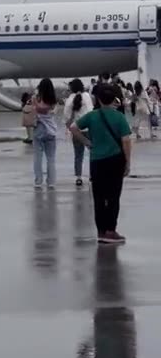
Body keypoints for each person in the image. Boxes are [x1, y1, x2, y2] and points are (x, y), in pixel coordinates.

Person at [70, 84, 131, 244]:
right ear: (113, 100)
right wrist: (128, 162)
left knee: (98, 197)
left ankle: (101, 231)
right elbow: (126, 141)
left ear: (98, 100)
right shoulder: (119, 117)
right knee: (113, 196)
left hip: (96, 161)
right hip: (115, 160)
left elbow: (73, 127)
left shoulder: (92, 116)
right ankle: (111, 231)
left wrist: (86, 142)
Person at [64, 78, 93, 186]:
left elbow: (66, 117)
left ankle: (79, 177)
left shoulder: (70, 99)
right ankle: (92, 175)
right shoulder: (87, 96)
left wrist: (68, 127)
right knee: (92, 152)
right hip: (89, 129)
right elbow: (91, 111)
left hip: (76, 130)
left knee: (78, 155)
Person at [31, 78, 58, 189]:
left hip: (39, 128)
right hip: (51, 130)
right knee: (51, 158)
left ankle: (38, 181)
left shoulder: (36, 99)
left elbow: (35, 109)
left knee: (38, 157)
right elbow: (52, 111)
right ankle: (51, 182)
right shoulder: (53, 100)